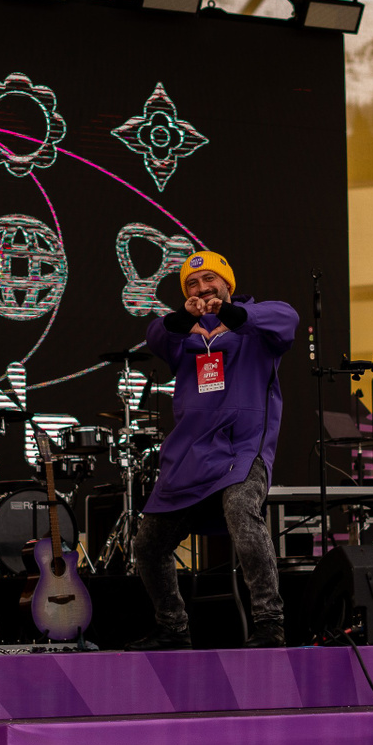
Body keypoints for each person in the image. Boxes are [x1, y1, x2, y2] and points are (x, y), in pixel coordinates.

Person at [128, 250, 298, 651]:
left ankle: (270, 623)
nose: (202, 288)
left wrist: (230, 313)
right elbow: (156, 334)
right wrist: (185, 318)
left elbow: (288, 319)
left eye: (210, 280)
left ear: (227, 284)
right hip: (190, 454)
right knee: (148, 545)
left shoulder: (258, 321)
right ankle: (173, 628)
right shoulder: (183, 333)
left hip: (242, 448)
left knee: (241, 510)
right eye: (192, 283)